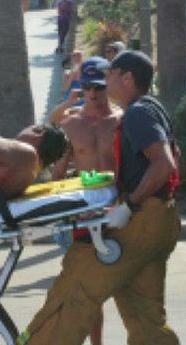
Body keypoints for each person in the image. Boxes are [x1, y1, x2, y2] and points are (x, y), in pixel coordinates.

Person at [19, 51, 180, 345]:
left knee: (74, 293)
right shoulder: (153, 107)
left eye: (109, 76)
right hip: (160, 221)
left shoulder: (136, 113)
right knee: (145, 318)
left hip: (140, 218)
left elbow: (164, 164)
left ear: (127, 79)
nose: (103, 84)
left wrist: (128, 206)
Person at [49, 56, 122, 345]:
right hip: (84, 213)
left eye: (100, 88)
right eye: (89, 87)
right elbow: (57, 174)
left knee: (128, 288)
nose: (93, 93)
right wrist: (60, 211)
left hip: (119, 210)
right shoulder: (71, 124)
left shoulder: (121, 121)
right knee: (87, 290)